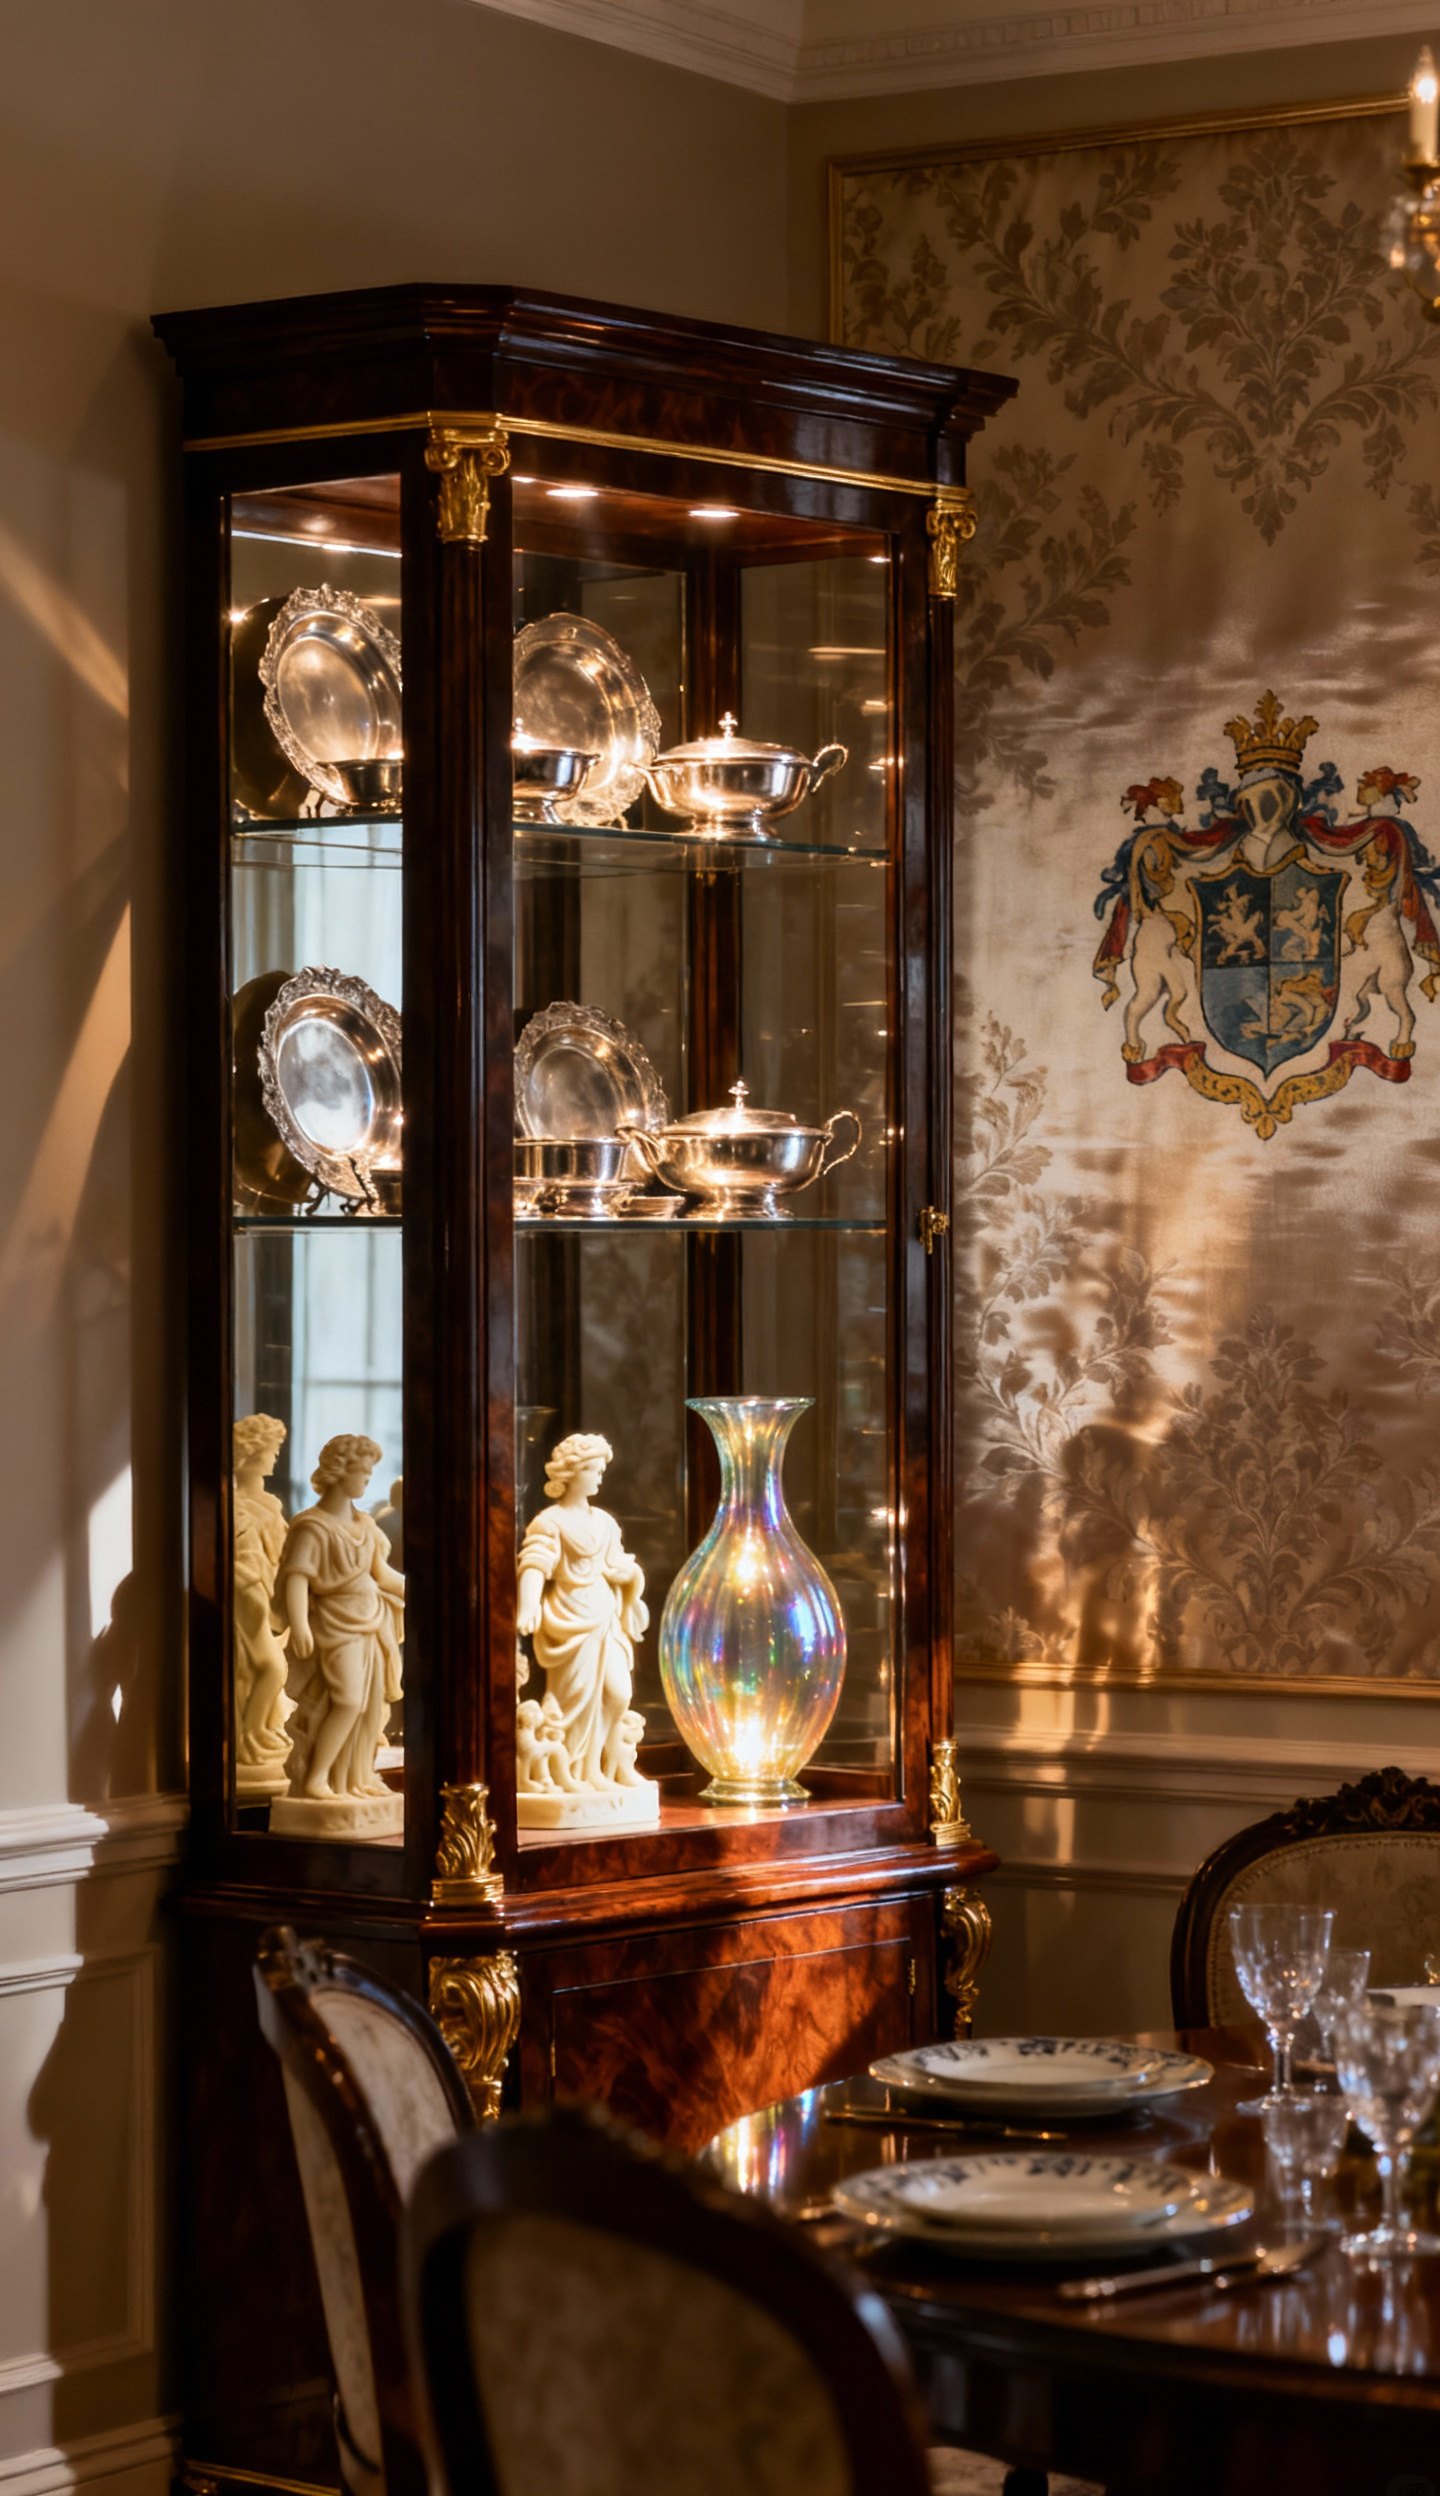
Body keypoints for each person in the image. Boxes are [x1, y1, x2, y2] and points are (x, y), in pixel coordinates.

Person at [515, 1432, 647, 1793]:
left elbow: (620, 1564)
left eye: (601, 1468)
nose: (599, 1475)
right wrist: (527, 1605)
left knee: (618, 1694)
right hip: (570, 1616)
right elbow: (535, 1564)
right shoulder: (549, 1521)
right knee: (573, 1700)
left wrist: (631, 1576)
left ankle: (594, 1770)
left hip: (605, 1614)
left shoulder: (604, 1522)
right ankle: (569, 1773)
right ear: (571, 1473)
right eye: (592, 1468)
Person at [276, 1434, 404, 1802]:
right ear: (339, 1472)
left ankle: (355, 1777)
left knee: (368, 1707)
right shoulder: (312, 1526)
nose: (367, 1479)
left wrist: (421, 1592)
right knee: (346, 1701)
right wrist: (299, 1624)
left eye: (369, 1472)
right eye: (362, 1471)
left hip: (371, 1620)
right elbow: (297, 1577)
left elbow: (382, 1575)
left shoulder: (365, 1525)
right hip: (334, 1624)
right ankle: (316, 1778)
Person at [232, 1414, 291, 1786]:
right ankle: (247, 1737)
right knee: (270, 1668)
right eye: (271, 1451)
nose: (274, 1458)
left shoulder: (270, 1503)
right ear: (251, 1455)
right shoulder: (233, 1504)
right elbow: (239, 1556)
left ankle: (264, 1729)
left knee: (273, 1668)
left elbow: (281, 1550)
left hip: (270, 1591)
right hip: (247, 1594)